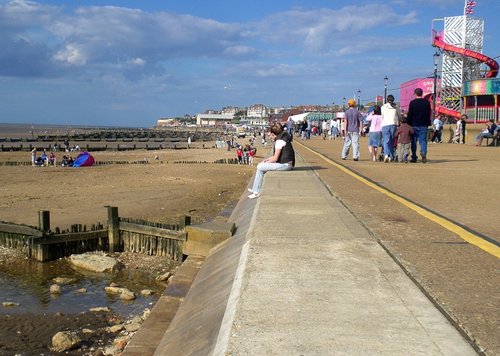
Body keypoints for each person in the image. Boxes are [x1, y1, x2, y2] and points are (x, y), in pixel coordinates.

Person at [248, 122, 295, 199]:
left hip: (285, 165)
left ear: (273, 134)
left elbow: (275, 158)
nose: (269, 137)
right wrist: (266, 160)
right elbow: (274, 157)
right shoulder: (283, 139)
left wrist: (265, 162)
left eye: (270, 135)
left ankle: (256, 192)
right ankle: (255, 189)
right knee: (261, 166)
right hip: (287, 164)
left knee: (260, 166)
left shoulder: (279, 142)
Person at [407, 87, 432, 163]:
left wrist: (408, 123)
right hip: (424, 124)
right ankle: (423, 152)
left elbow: (410, 114)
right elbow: (429, 113)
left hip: (414, 124)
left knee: (413, 141)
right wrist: (428, 123)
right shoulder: (426, 102)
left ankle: (414, 157)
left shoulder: (412, 103)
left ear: (415, 93)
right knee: (423, 141)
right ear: (422, 93)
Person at [381, 94, 400, 162]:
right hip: (393, 124)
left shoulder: (383, 107)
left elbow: (382, 116)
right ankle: (391, 156)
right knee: (392, 141)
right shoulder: (396, 107)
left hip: (385, 124)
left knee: (386, 141)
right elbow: (399, 115)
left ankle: (386, 154)